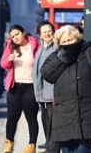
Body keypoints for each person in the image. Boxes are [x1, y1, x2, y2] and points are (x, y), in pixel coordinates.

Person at [41, 25, 91, 153]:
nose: (68, 44)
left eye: (70, 40)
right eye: (64, 42)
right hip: (64, 116)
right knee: (67, 150)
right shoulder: (56, 56)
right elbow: (47, 74)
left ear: (77, 38)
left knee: (83, 150)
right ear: (59, 44)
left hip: (88, 114)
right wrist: (62, 58)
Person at [0, 24, 41, 153]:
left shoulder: (34, 45)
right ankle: (9, 144)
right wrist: (9, 59)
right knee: (12, 117)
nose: (15, 38)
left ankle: (32, 145)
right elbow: (3, 64)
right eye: (12, 36)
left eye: (17, 34)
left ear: (23, 32)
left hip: (30, 86)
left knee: (31, 117)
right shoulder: (10, 47)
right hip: (15, 87)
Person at [32, 21, 60, 153]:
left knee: (53, 123)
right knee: (46, 122)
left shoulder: (56, 48)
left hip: (52, 92)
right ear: (40, 35)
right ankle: (49, 147)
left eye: (49, 31)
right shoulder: (41, 48)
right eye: (44, 32)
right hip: (42, 93)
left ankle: (53, 149)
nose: (48, 34)